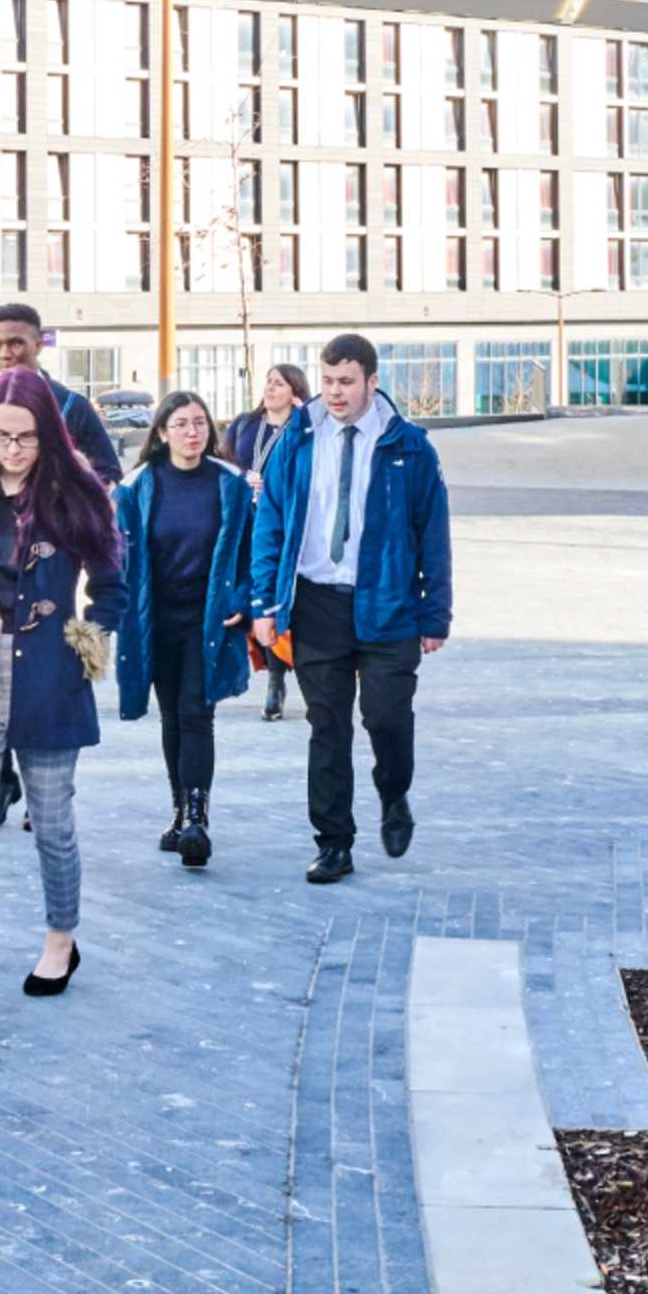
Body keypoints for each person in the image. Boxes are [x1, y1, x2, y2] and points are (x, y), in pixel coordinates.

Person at [0, 371, 121, 1033]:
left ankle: (61, 941)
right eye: (0, 435)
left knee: (53, 824)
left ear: (50, 431)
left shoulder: (79, 492)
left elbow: (114, 588)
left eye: (27, 437)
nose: (12, 449)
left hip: (48, 676)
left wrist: (83, 643)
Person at [247, 334, 453, 885]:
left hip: (388, 605)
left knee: (386, 718)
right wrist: (264, 602)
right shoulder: (297, 441)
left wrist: (436, 614)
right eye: (329, 380)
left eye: (347, 382)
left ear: (371, 382)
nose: (335, 393)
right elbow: (269, 523)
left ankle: (393, 794)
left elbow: (432, 533)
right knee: (327, 727)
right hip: (317, 604)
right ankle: (334, 842)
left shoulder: (408, 448)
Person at [113, 390, 252, 869]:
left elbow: (254, 550)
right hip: (155, 620)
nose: (192, 432)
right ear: (162, 432)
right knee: (171, 715)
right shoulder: (137, 486)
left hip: (208, 618)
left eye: (200, 423)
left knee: (197, 711)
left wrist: (244, 597)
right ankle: (179, 814)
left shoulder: (232, 484)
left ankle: (197, 819)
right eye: (181, 424)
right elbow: (118, 556)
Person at [221, 363, 310, 719]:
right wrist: (243, 478)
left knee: (282, 599)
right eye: (268, 382)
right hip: (245, 525)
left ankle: (289, 677)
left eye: (280, 383)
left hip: (285, 528)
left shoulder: (304, 429)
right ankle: (268, 676)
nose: (271, 388)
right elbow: (223, 464)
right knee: (252, 598)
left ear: (295, 390)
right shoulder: (246, 424)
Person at [0, 302, 122, 482]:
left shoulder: (72, 406)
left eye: (15, 343)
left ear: (38, 345)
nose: (4, 354)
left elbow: (109, 475)